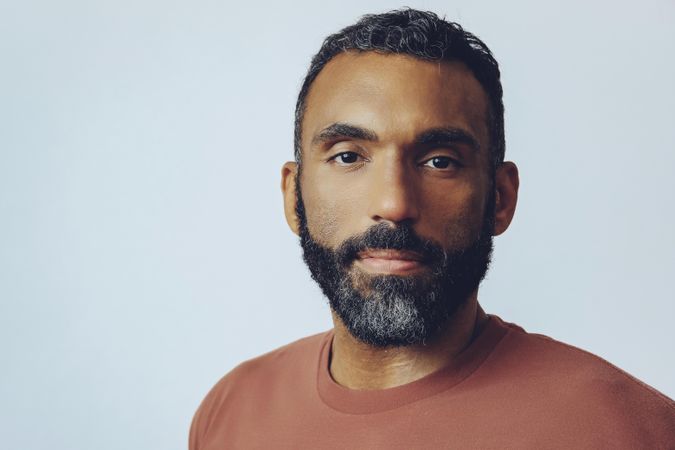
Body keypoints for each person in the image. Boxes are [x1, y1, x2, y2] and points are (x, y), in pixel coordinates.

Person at [189, 8, 675, 449]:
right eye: (348, 157)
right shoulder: (231, 410)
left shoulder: (626, 429)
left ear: (501, 197)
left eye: (440, 161)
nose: (394, 204)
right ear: (293, 196)